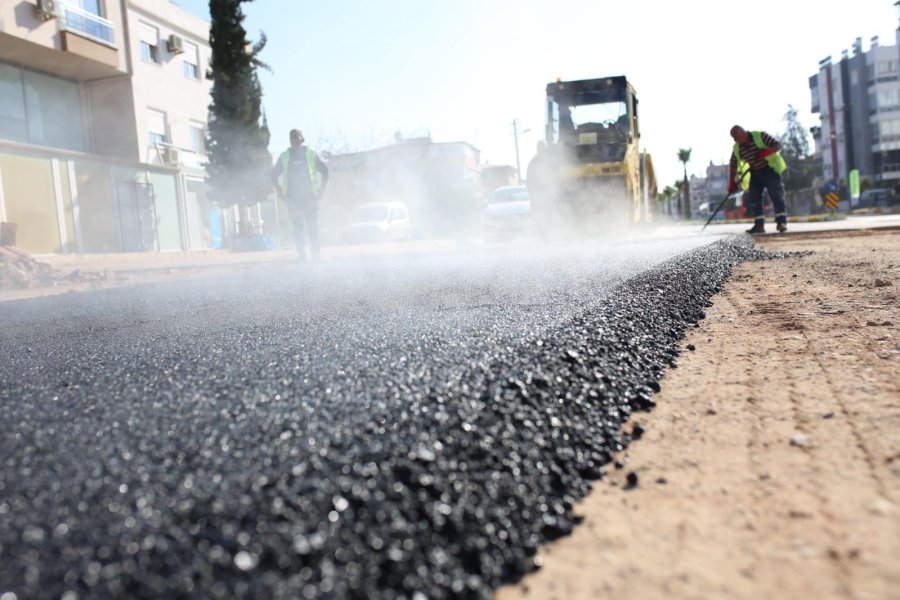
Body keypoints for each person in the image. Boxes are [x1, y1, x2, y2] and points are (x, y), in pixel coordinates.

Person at [271, 129, 329, 261]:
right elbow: (273, 175)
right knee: (298, 228)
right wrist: (280, 192)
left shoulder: (310, 155)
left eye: (297, 139)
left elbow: (325, 172)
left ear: (302, 139)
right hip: (292, 199)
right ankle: (302, 256)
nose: (295, 142)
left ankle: (316, 256)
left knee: (312, 227)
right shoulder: (285, 156)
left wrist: (321, 191)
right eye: (292, 140)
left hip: (310, 198)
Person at [728, 125, 788, 234]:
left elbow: (777, 145)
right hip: (755, 172)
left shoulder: (760, 136)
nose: (735, 140)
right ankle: (759, 225)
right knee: (754, 197)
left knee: (776, 194)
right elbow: (733, 164)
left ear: (742, 133)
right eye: (733, 138)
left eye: (736, 137)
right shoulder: (737, 147)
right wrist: (732, 181)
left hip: (770, 169)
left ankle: (781, 222)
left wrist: (767, 152)